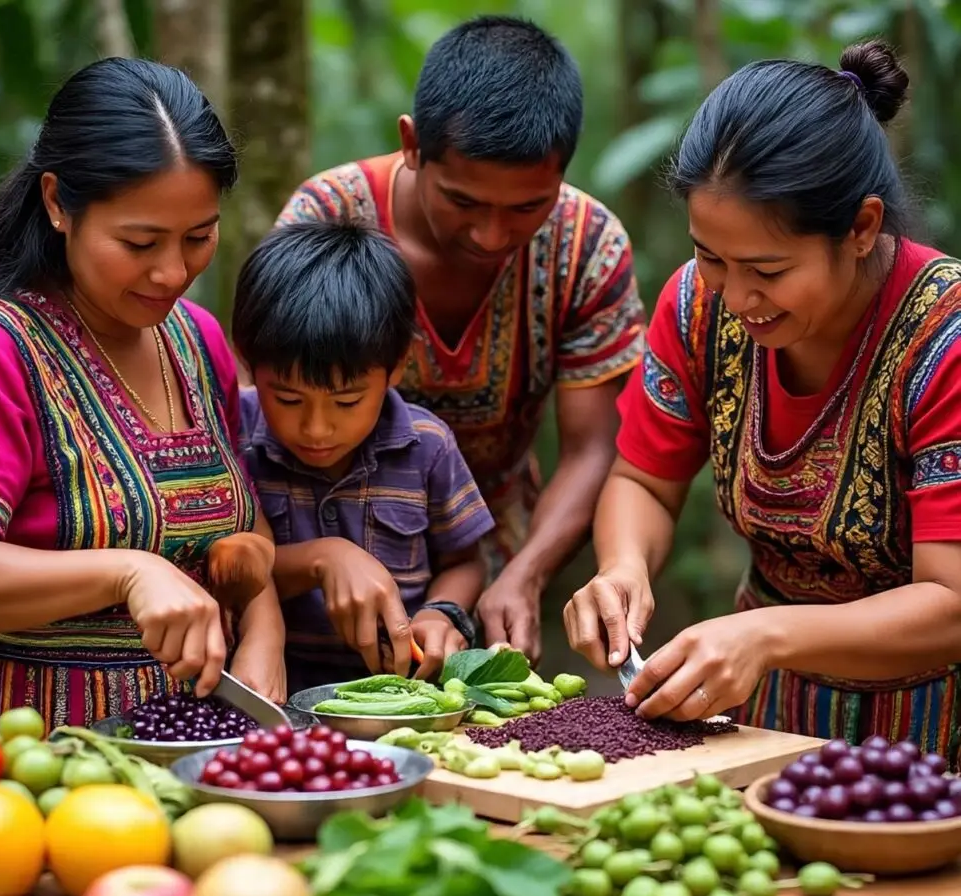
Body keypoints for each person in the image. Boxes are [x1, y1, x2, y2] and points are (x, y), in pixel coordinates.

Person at [565, 39, 961, 760]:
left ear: (863, 227)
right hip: (764, 722)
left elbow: (952, 603)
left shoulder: (945, 341)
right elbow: (642, 482)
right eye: (709, 255)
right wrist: (622, 567)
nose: (736, 296)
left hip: (935, 737)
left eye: (767, 269)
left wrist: (765, 634)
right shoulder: (697, 306)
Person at [274, 15, 646, 665]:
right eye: (464, 202)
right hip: (321, 555)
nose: (492, 235)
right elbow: (270, 409)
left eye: (526, 208)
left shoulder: (588, 245)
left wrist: (524, 575)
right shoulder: (327, 220)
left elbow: (594, 447)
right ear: (412, 144)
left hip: (499, 547)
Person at [0, 57, 286, 739]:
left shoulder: (199, 340)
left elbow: (240, 533)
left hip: (194, 734)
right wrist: (127, 572)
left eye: (199, 237)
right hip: (24, 744)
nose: (173, 271)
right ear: (55, 204)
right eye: (139, 242)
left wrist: (265, 626)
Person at [233, 220, 496, 691]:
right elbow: (219, 567)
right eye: (288, 400)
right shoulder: (233, 439)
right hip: (275, 690)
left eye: (347, 401)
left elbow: (465, 561)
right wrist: (320, 558)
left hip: (402, 692)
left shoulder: (428, 445)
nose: (316, 428)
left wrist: (440, 614)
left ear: (396, 367)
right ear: (248, 365)